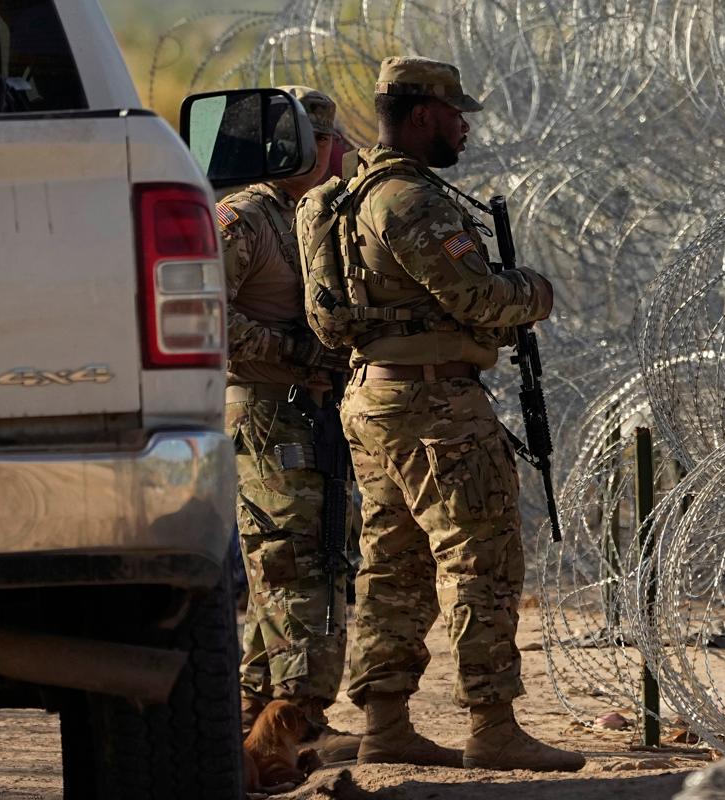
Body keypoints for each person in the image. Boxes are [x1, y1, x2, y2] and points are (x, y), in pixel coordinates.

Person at [324, 56, 584, 772]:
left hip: (378, 397)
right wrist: (534, 290)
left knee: (393, 565)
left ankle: (385, 724)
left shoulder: (354, 195)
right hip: (433, 405)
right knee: (482, 561)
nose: (464, 126)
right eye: (453, 113)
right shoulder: (411, 201)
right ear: (419, 116)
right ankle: (493, 725)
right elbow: (478, 298)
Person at [219, 84, 356, 754]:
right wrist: (295, 353)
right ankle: (298, 717)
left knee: (306, 559)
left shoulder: (314, 218)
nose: (333, 157)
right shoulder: (246, 219)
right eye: (322, 144)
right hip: (269, 411)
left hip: (310, 413)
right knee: (292, 562)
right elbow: (202, 315)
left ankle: (258, 712)